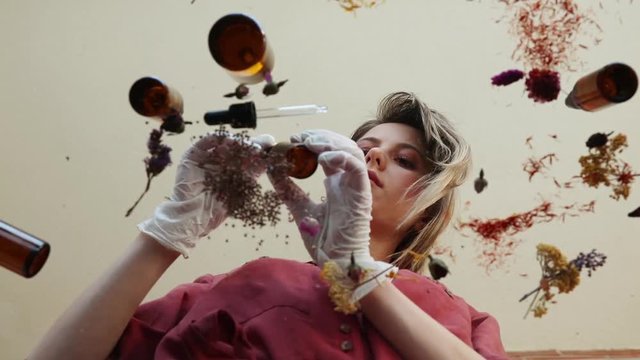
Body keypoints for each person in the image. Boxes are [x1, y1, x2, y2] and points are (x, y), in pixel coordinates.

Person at [29, 92, 508, 360]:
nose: (372, 155)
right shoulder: (243, 286)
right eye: (360, 145)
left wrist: (359, 277)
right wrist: (166, 234)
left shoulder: (460, 320)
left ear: (427, 207)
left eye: (405, 160)